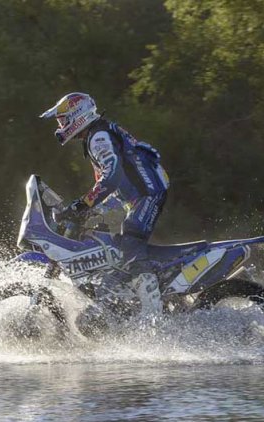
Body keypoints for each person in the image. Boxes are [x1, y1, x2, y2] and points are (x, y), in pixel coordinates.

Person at [40, 92, 169, 313]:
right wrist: (86, 211)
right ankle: (119, 300)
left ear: (77, 116)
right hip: (132, 196)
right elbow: (111, 182)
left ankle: (152, 313)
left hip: (147, 193)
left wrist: (82, 205)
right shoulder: (98, 133)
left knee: (130, 240)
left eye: (62, 121)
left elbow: (111, 177)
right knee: (105, 239)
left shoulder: (98, 137)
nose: (60, 127)